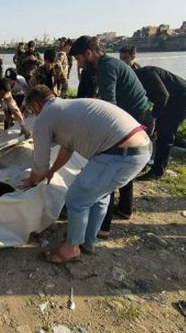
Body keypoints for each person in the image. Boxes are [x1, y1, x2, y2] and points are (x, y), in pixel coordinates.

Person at [23, 85, 151, 262]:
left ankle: (71, 249)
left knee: (76, 199)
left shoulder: (45, 117)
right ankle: (86, 242)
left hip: (120, 154)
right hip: (141, 148)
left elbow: (40, 162)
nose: (34, 114)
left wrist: (32, 181)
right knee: (99, 196)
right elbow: (67, 149)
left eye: (31, 110)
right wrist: (52, 172)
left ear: (36, 105)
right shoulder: (66, 108)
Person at [70, 35, 152, 237]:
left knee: (110, 170)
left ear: (89, 53)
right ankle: (124, 209)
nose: (79, 64)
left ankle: (103, 228)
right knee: (124, 168)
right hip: (137, 118)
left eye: (79, 59)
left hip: (132, 119)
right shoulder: (108, 64)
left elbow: (109, 107)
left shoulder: (106, 68)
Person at [134, 66, 186, 180]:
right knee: (157, 129)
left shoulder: (147, 74)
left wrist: (153, 118)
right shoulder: (138, 78)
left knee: (165, 133)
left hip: (183, 98)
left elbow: (163, 95)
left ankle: (157, 171)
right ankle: (180, 143)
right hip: (173, 99)